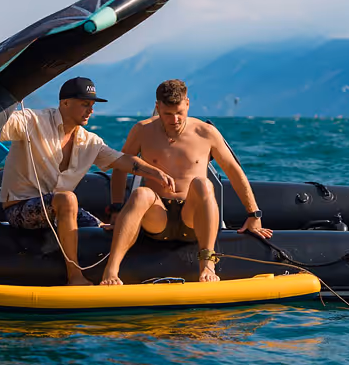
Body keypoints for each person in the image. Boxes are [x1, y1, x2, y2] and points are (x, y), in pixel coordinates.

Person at [0, 77, 176, 286]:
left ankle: (112, 273)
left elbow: (122, 160)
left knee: (104, 227)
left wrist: (154, 172)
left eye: (92, 105)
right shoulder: (32, 121)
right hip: (19, 209)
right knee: (68, 199)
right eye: (85, 104)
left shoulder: (90, 142)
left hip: (58, 208)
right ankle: (74, 276)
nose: (90, 110)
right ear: (65, 103)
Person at [100, 79, 273, 285]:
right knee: (141, 194)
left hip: (192, 218)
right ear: (157, 107)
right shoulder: (142, 130)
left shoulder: (206, 133)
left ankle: (207, 265)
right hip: (157, 217)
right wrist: (116, 209)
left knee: (203, 184)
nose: (174, 119)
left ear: (188, 104)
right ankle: (111, 271)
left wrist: (254, 214)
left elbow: (235, 172)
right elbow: (121, 167)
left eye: (179, 112)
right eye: (167, 114)